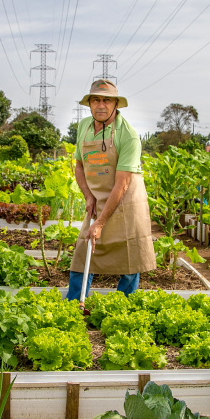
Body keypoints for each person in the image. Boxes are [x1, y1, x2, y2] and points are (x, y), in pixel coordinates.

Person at [66, 79, 155, 302]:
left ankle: (121, 307)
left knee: (130, 259)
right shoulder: (84, 127)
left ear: (116, 104)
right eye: (96, 99)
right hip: (97, 200)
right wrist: (88, 196)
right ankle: (74, 305)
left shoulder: (128, 135)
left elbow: (122, 184)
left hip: (126, 202)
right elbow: (78, 165)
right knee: (82, 254)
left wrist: (101, 222)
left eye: (107, 100)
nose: (101, 105)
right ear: (89, 104)